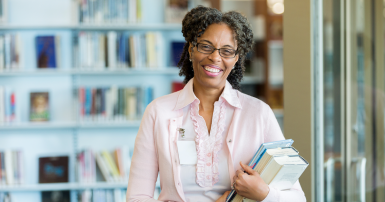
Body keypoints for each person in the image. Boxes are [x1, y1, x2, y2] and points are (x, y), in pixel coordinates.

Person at [126, 6, 306, 202]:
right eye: (205, 46)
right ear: (191, 49)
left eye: (227, 51)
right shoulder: (158, 112)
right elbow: (137, 197)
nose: (215, 57)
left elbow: (297, 198)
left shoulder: (258, 113)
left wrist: (264, 194)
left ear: (236, 58)